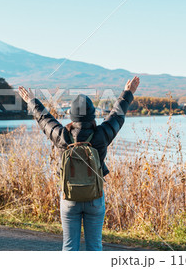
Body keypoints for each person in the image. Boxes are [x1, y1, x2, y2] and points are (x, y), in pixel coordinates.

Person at [18, 76, 139, 251]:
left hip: (69, 198)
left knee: (69, 247)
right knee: (94, 246)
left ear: (72, 116)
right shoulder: (102, 134)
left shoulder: (62, 136)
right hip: (95, 198)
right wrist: (128, 93)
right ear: (92, 115)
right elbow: (117, 116)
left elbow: (45, 121)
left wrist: (31, 101)